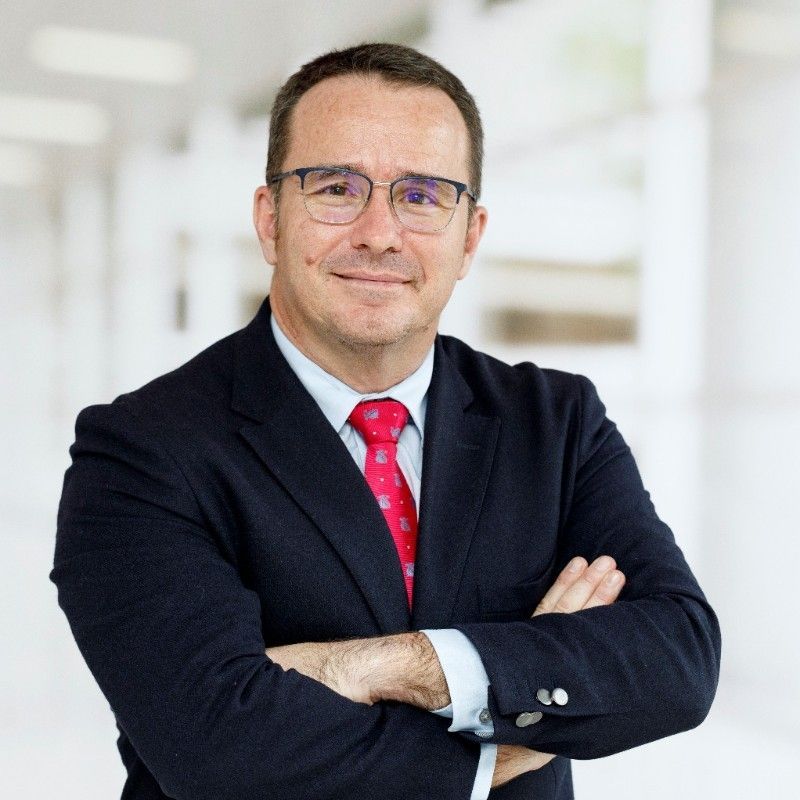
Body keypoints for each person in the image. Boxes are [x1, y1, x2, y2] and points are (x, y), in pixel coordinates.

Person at [50, 43, 721, 800]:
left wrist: (385, 665)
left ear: (470, 237)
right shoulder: (141, 450)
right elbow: (217, 746)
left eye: (423, 195)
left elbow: (679, 660)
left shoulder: (557, 423)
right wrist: (515, 715)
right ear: (270, 221)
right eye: (336, 188)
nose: (379, 233)